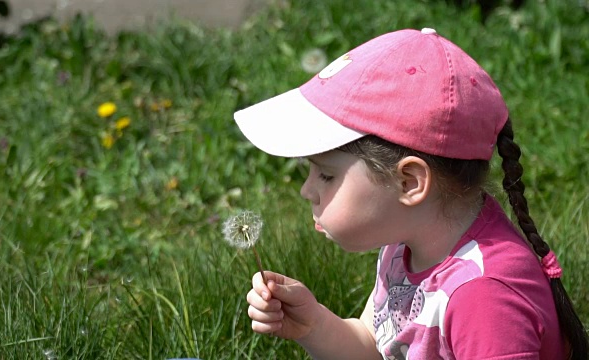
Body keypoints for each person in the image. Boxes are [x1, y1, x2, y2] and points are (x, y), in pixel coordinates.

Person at [233, 28, 588, 359]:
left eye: (326, 175)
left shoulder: (483, 299)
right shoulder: (409, 244)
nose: (306, 190)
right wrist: (314, 325)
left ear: (409, 183)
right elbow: (375, 345)